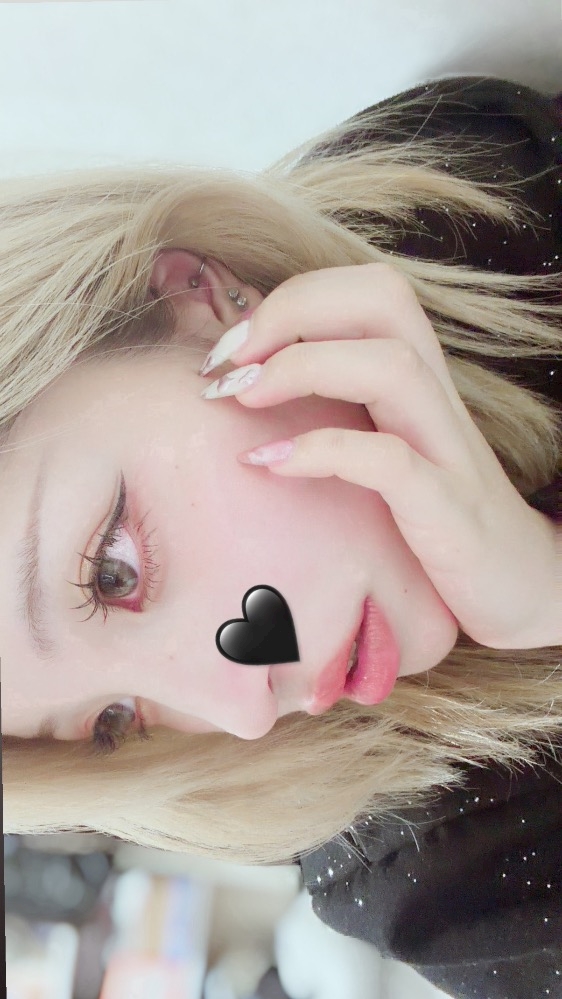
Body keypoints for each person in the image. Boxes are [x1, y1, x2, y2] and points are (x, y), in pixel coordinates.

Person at [1, 73, 560, 999]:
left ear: (198, 298)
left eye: (114, 571)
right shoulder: (428, 868)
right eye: (115, 723)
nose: (244, 709)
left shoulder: (455, 191)